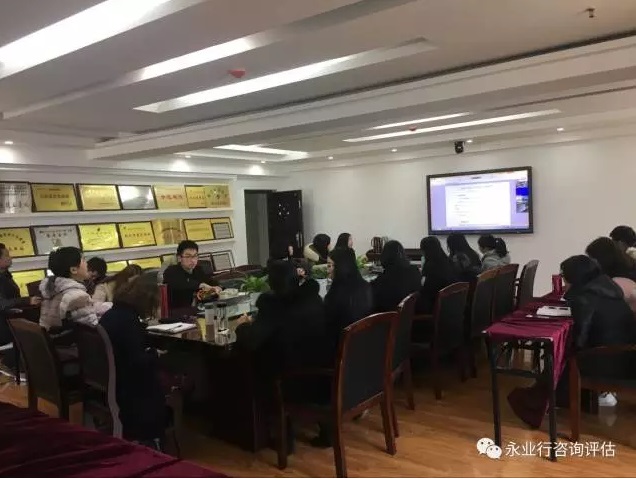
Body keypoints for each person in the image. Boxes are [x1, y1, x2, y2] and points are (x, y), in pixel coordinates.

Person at [99, 274, 170, 446]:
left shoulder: (113, 314)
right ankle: (155, 437)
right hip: (130, 388)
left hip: (109, 379)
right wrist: (155, 354)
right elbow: (138, 362)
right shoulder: (128, 321)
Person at [560, 255, 636, 407]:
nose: (563, 282)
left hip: (608, 360)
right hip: (626, 356)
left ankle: (548, 400)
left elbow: (580, 338)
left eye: (564, 277)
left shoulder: (584, 297)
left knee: (561, 355)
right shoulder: (609, 289)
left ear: (573, 277)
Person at [39, 247, 111, 331]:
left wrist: (108, 306)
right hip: (74, 338)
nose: (87, 264)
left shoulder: (53, 290)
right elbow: (93, 326)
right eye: (83, 260)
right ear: (74, 270)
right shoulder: (77, 296)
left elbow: (84, 312)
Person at [0, 244, 41, 373]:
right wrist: (27, 301)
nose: (10, 257)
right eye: (6, 255)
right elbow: (2, 304)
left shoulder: (5, 275)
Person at [324, 247, 373, 338]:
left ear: (340, 267)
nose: (327, 270)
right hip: (365, 340)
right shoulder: (366, 287)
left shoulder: (334, 296)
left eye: (329, 265)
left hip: (343, 343)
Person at [162, 241, 221, 310]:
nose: (193, 260)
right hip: (177, 311)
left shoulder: (198, 270)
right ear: (179, 258)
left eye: (195, 256)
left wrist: (218, 287)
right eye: (188, 256)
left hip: (198, 310)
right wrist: (201, 285)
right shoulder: (171, 271)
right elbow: (182, 283)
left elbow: (210, 282)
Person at [371, 240, 421, 312]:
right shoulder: (414, 270)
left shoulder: (383, 278)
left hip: (389, 316)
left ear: (384, 256)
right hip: (410, 313)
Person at [416, 236, 458, 314]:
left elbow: (427, 290)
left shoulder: (430, 266)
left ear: (425, 251)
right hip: (450, 305)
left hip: (435, 306)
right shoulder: (449, 261)